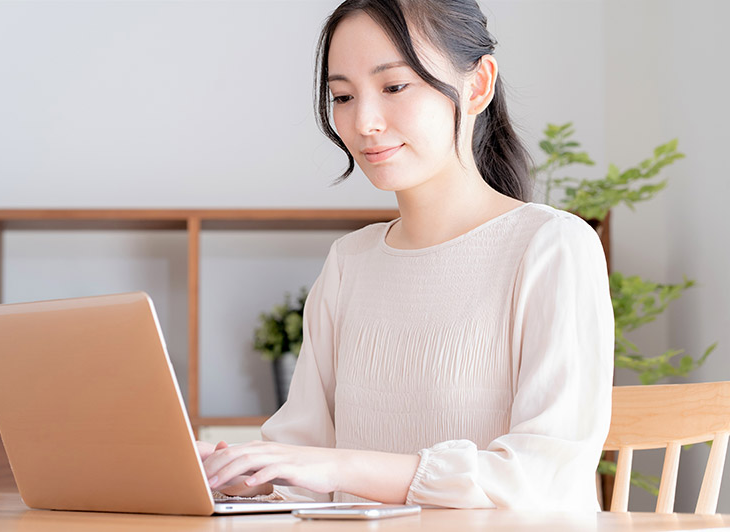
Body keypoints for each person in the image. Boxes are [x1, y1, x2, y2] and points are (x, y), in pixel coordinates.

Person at [198, 0, 614, 510]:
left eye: (394, 86)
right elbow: (303, 461)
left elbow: (539, 477)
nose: (364, 122)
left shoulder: (552, 247)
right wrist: (243, 472)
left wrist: (342, 464)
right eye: (343, 96)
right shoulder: (350, 262)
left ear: (478, 84)